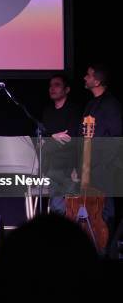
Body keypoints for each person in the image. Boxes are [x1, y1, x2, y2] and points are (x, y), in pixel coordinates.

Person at [82, 63, 121, 233]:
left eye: (89, 75)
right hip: (90, 165)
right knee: (90, 208)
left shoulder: (111, 104)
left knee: (105, 211)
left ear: (97, 82)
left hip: (105, 167)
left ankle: (106, 249)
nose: (85, 77)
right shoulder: (91, 104)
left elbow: (116, 136)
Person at [41, 74, 82, 214]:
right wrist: (53, 138)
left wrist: (49, 140)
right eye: (50, 85)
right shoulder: (47, 112)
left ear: (67, 89)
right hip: (51, 165)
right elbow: (41, 143)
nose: (52, 88)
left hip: (69, 165)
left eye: (57, 85)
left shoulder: (73, 111)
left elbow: (69, 140)